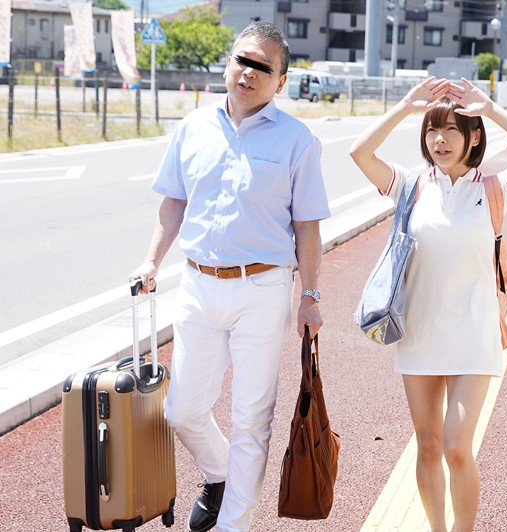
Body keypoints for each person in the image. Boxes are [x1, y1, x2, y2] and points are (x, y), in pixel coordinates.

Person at [129, 21, 329, 532]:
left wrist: (309, 295)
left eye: (263, 66)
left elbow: (307, 225)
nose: (249, 72)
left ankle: (234, 523)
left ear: (281, 81)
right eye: (243, 60)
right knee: (181, 410)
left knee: (251, 417)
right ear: (228, 63)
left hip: (262, 288)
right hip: (197, 285)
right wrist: (152, 261)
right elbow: (174, 202)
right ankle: (219, 474)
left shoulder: (298, 140)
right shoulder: (193, 126)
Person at [349, 77, 507, 531]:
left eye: (451, 130)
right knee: (428, 445)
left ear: (473, 137)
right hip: (419, 333)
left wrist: (490, 109)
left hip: (474, 333)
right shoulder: (411, 185)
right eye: (432, 130)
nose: (439, 140)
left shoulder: (494, 189)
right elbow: (360, 153)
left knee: (457, 447)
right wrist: (405, 106)